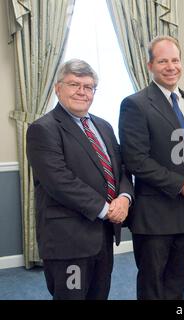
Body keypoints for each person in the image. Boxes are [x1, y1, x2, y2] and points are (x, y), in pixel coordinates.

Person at [26, 59, 134, 300]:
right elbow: (59, 181)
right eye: (74, 84)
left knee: (99, 295)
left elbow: (122, 168)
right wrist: (106, 209)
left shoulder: (103, 126)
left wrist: (125, 198)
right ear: (58, 88)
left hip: (103, 237)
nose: (82, 92)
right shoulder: (43, 129)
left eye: (88, 86)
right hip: (68, 242)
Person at [118, 36, 184, 300]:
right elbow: (136, 160)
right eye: (163, 61)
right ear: (149, 65)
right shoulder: (135, 104)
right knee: (153, 287)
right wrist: (181, 184)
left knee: (177, 284)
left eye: (175, 60)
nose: (171, 66)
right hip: (154, 215)